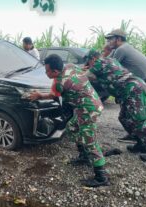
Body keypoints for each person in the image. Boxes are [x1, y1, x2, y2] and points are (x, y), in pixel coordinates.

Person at [28, 54, 109, 187]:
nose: (45, 73)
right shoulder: (71, 66)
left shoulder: (60, 83)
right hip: (91, 103)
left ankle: (101, 176)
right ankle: (84, 156)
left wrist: (38, 96)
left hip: (88, 109)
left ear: (55, 71)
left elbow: (53, 95)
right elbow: (81, 72)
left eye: (47, 70)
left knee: (90, 141)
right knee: (72, 127)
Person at [84, 49, 146, 163]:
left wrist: (78, 71)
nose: (88, 65)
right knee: (124, 118)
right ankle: (142, 144)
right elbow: (107, 76)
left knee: (139, 122)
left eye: (88, 62)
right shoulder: (109, 61)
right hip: (133, 88)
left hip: (133, 89)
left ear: (93, 59)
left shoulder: (98, 63)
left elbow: (84, 77)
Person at [105, 29, 146, 139]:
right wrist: (106, 50)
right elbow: (107, 61)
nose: (108, 42)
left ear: (118, 39)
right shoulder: (120, 48)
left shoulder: (122, 49)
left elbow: (109, 66)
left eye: (110, 39)